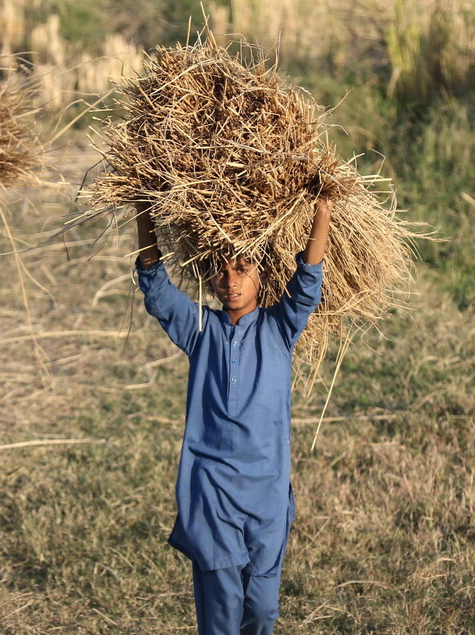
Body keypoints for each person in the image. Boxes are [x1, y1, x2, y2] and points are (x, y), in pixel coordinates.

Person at [134, 198, 331, 634]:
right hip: (210, 490)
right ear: (210, 279)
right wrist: (142, 210)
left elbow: (308, 281)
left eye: (242, 269)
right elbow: (155, 284)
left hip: (267, 491)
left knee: (262, 611)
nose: (231, 280)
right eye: (221, 271)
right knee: (221, 612)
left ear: (262, 276)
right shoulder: (199, 329)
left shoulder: (280, 328)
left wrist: (322, 213)